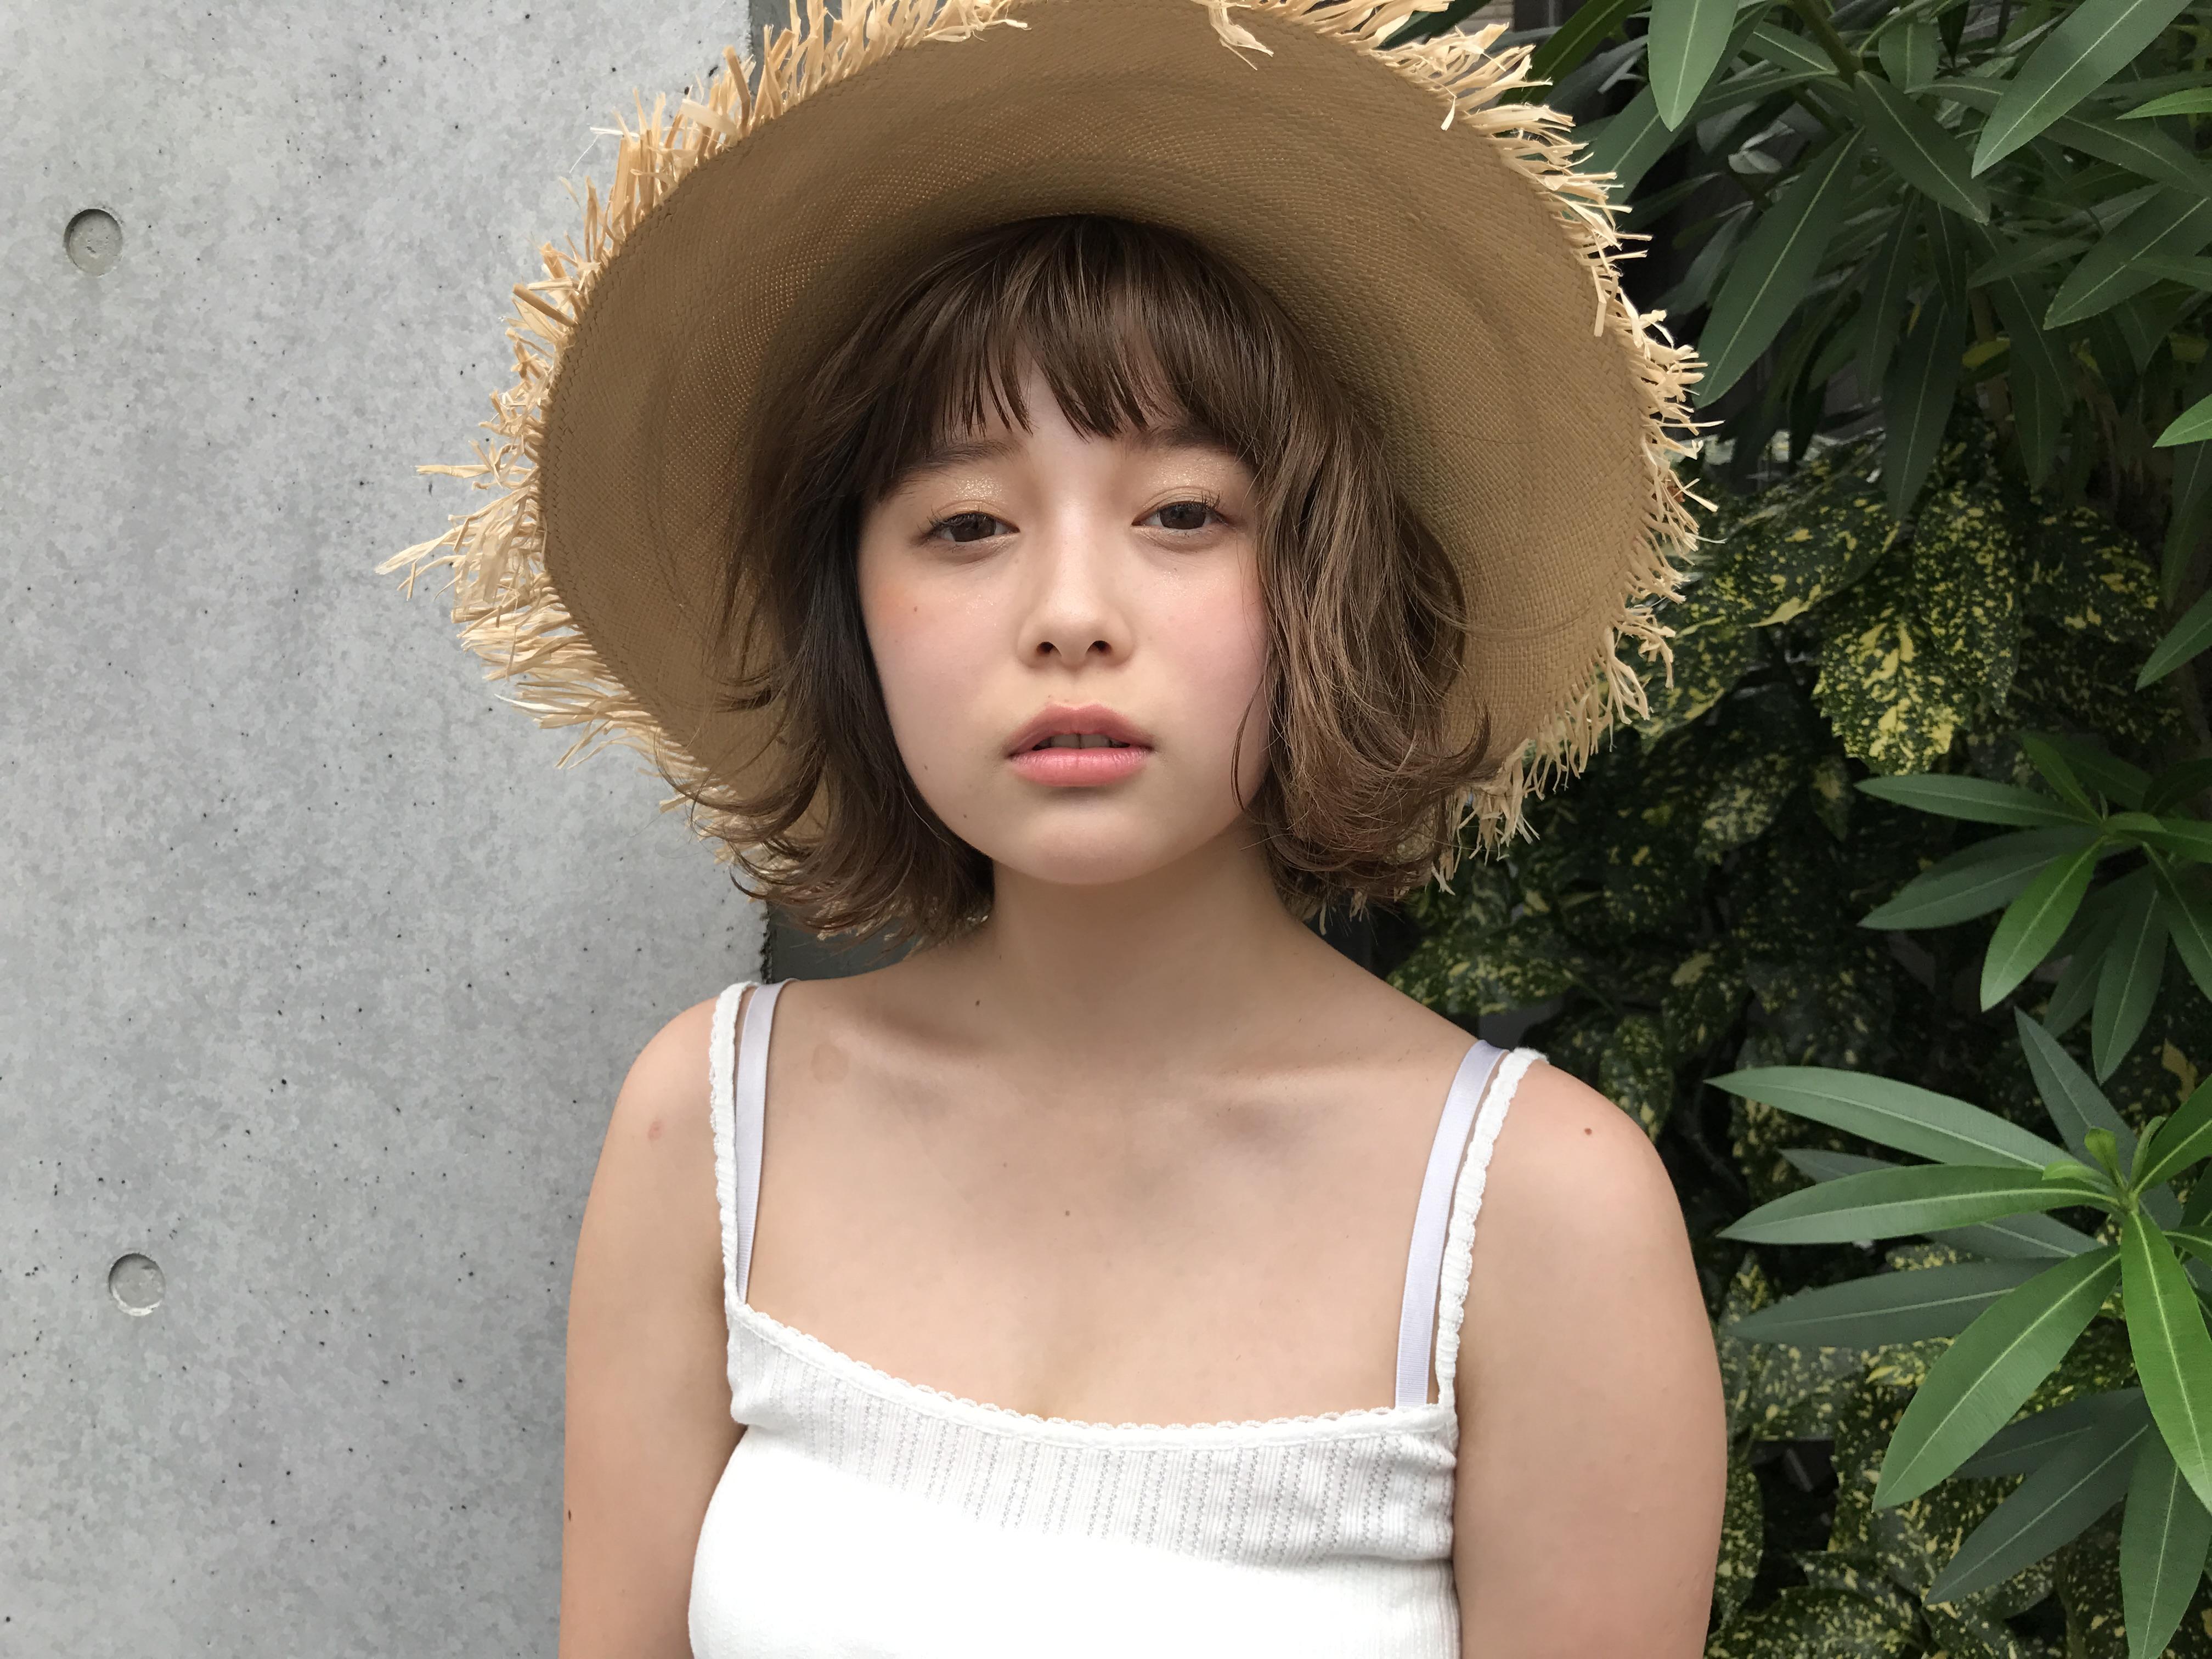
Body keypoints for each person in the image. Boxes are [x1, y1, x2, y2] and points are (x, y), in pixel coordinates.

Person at [381, 2, 1727, 1654]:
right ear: (850, 614)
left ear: (1327, 582)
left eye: (1185, 513)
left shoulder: (1537, 1213)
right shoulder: (713, 1128)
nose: (1072, 612)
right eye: (965, 525)